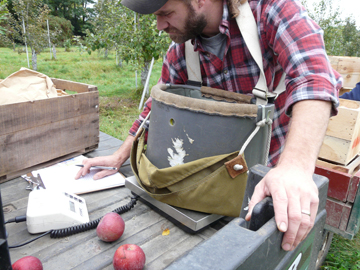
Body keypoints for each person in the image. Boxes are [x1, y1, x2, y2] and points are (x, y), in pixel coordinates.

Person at [75, 0, 342, 252]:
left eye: (165, 13)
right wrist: (120, 154)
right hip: (210, 187)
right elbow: (156, 103)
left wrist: (294, 168)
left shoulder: (270, 11)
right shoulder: (182, 51)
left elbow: (314, 77)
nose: (159, 25)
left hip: (270, 183)